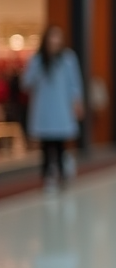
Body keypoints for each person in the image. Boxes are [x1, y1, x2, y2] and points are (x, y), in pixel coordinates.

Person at [21, 25, 84, 189]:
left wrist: (77, 103)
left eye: (58, 37)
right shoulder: (37, 60)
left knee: (60, 143)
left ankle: (62, 173)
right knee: (46, 145)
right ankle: (48, 175)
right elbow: (26, 82)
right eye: (52, 37)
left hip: (61, 108)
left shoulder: (68, 59)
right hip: (44, 109)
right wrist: (37, 68)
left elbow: (74, 84)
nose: (54, 41)